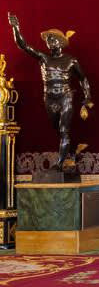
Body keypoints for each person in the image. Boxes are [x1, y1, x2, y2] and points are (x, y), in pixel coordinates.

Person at [8, 13, 92, 173]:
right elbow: (23, 45)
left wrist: (87, 96)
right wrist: (16, 28)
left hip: (66, 97)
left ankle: (59, 165)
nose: (49, 41)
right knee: (58, 129)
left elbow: (83, 78)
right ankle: (71, 154)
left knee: (64, 130)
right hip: (49, 99)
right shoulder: (43, 58)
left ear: (61, 42)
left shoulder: (71, 60)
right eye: (48, 39)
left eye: (52, 39)